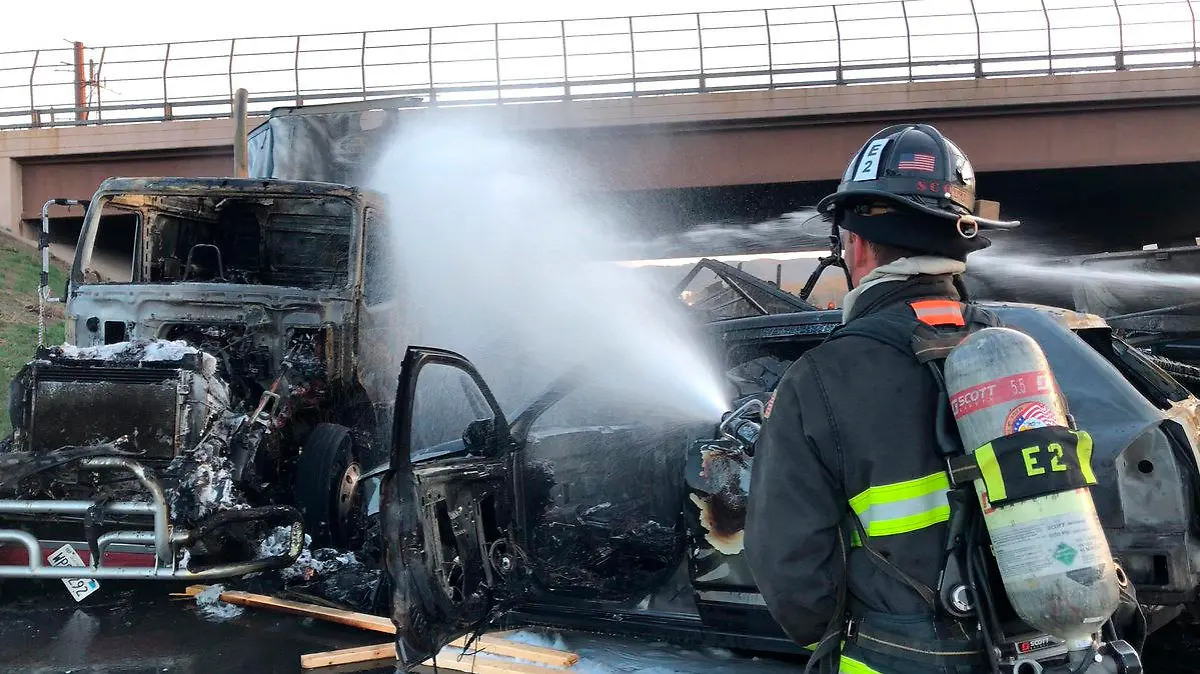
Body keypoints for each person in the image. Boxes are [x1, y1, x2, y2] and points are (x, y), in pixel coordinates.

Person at [743, 124, 1133, 674]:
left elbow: (791, 567)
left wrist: (849, 640)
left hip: (899, 655)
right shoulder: (1014, 355)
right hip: (1040, 645)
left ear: (854, 243)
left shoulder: (821, 377)